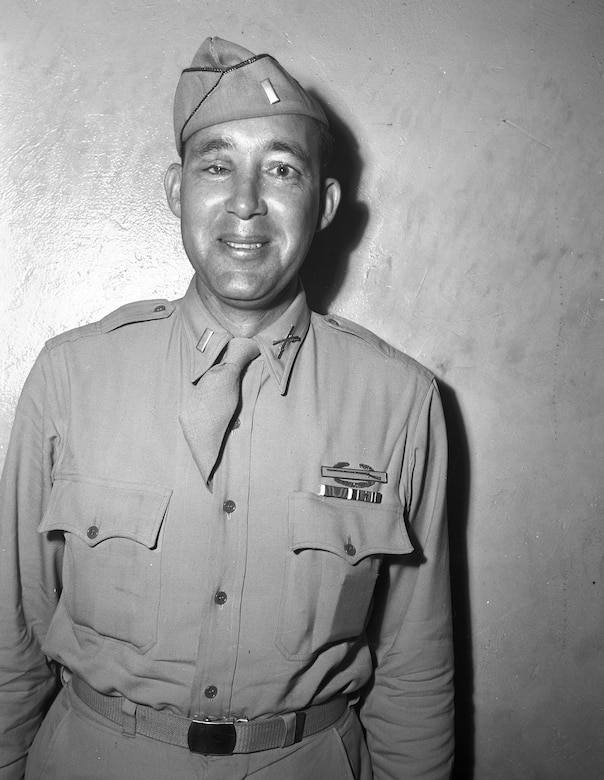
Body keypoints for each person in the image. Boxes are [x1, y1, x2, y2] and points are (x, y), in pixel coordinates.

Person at [0, 36, 454, 780]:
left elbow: (416, 667)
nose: (245, 202)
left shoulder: (400, 400)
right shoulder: (71, 377)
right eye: (217, 165)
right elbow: (9, 636)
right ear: (178, 191)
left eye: (281, 168)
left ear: (327, 203)